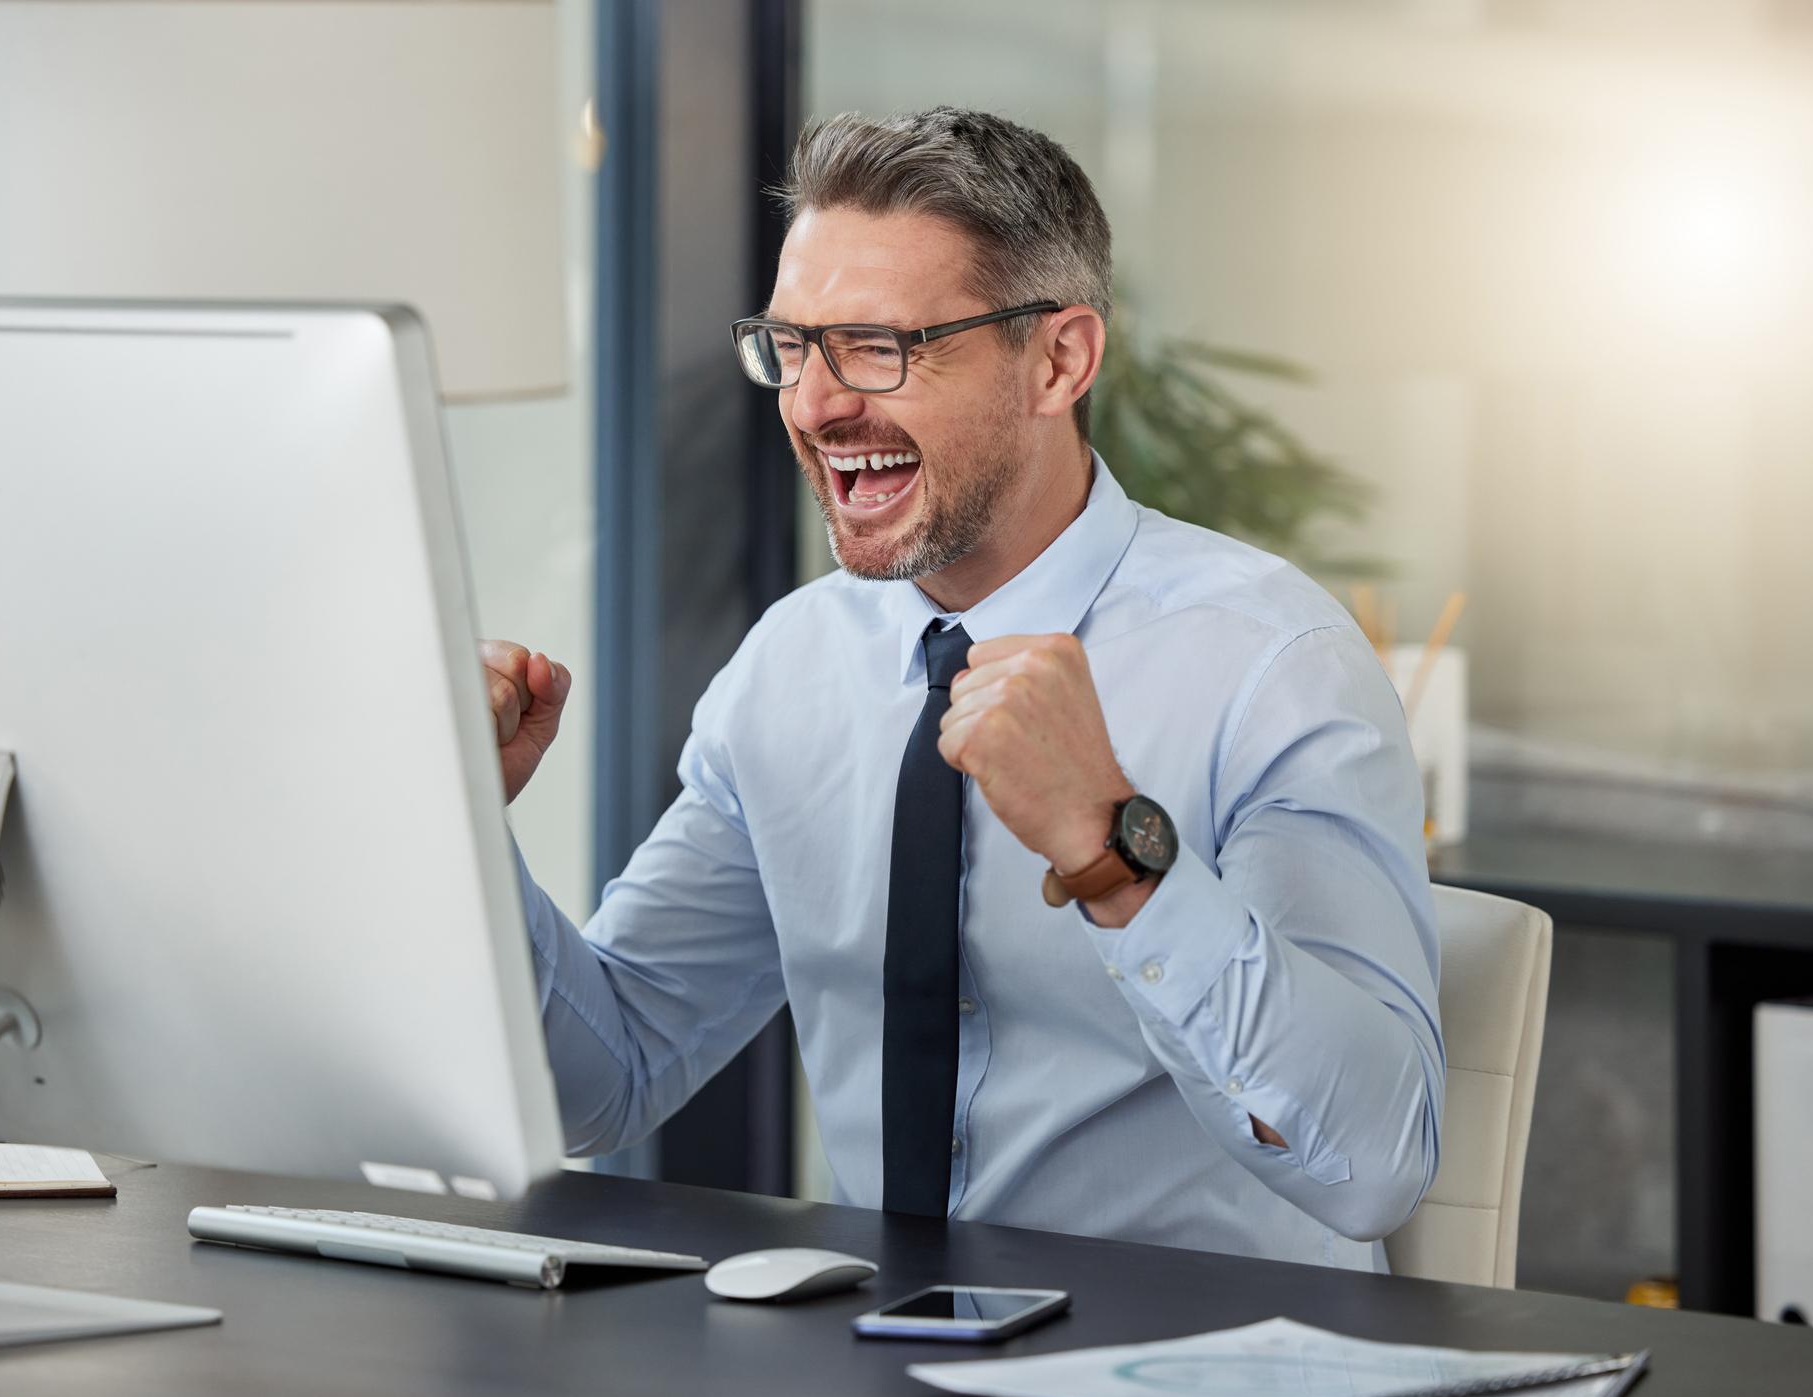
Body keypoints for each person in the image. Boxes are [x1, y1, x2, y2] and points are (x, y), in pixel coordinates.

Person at [483, 107, 1442, 1272]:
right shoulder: (793, 667)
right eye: (791, 347)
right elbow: (613, 1074)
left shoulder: (1269, 665)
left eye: (880, 346)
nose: (815, 405)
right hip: (871, 1356)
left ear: (1058, 359)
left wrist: (1115, 853)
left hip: (1203, 1372)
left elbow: (1375, 1165)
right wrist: (462, 831)